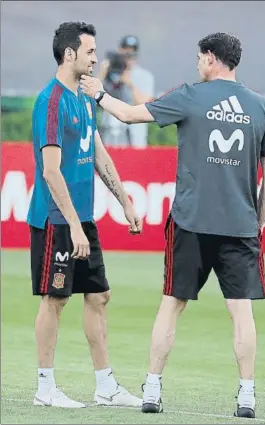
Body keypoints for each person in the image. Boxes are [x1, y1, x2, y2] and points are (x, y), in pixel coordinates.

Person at [80, 32, 265, 418]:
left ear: (210, 58)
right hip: (239, 225)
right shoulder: (262, 108)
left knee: (172, 305)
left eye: (199, 56)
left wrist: (99, 93)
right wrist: (258, 219)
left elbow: (129, 113)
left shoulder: (190, 95)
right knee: (241, 312)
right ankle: (247, 395)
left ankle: (152, 389)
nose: (197, 63)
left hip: (190, 221)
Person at [27, 21, 143, 409]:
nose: (97, 58)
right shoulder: (52, 100)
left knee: (99, 296)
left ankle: (105, 386)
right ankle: (45, 388)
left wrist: (124, 200)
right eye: (90, 52)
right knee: (55, 300)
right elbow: (50, 170)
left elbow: (98, 153)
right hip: (56, 221)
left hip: (82, 219)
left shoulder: (83, 97)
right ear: (70, 54)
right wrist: (74, 224)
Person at [97, 35, 154, 148]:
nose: (127, 57)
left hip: (134, 137)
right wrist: (102, 74)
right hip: (109, 135)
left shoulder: (144, 76)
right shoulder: (110, 74)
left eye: (131, 54)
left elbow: (145, 104)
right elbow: (91, 96)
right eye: (125, 53)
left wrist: (129, 83)